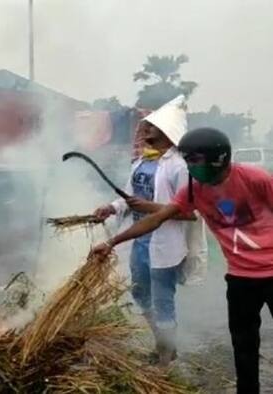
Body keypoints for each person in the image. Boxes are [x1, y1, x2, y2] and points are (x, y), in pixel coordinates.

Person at [92, 128, 273, 394]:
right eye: (188, 160)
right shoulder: (193, 190)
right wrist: (111, 242)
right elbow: (158, 218)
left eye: (196, 160)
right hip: (240, 278)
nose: (191, 167)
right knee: (243, 346)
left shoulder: (255, 178)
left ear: (218, 158)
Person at [93, 95, 207, 366]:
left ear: (167, 133)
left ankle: (166, 359)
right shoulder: (141, 162)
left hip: (165, 245)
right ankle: (163, 344)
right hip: (140, 242)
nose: (144, 129)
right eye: (145, 126)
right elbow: (130, 197)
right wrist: (111, 206)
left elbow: (191, 213)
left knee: (163, 301)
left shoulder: (180, 167)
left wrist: (150, 206)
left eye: (151, 126)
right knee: (140, 295)